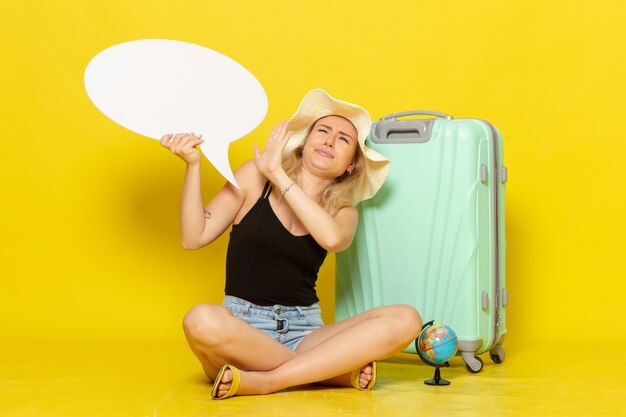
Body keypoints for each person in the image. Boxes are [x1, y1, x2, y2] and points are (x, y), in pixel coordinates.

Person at [160, 89, 422, 399]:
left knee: (407, 319)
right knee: (200, 320)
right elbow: (194, 237)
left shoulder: (344, 212)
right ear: (305, 143)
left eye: (343, 140)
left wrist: (277, 173)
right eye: (323, 131)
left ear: (351, 164)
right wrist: (193, 165)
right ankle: (329, 372)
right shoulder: (254, 179)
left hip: (305, 331)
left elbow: (332, 239)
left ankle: (269, 381)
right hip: (242, 330)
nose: (328, 141)